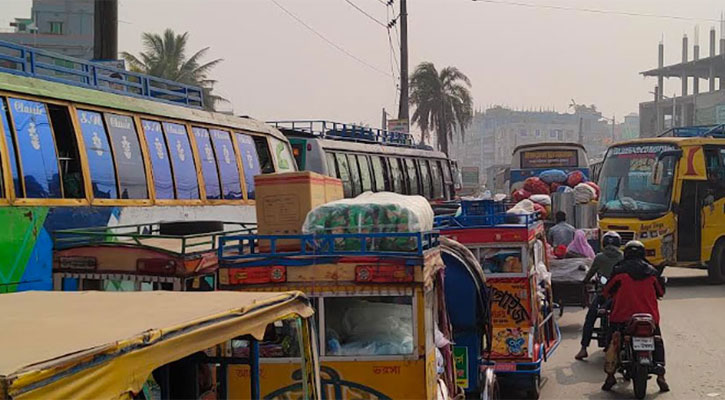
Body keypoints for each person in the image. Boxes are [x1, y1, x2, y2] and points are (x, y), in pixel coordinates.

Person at [601, 240, 668, 392]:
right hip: (649, 318)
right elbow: (661, 292)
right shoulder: (652, 272)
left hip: (621, 317)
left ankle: (610, 377)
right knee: (657, 340)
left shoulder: (619, 271)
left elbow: (607, 291)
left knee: (613, 341)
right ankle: (661, 377)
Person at [575, 231, 622, 360]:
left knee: (590, 318)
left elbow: (590, 274)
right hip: (619, 297)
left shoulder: (600, 257)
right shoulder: (622, 257)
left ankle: (584, 348)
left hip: (603, 295)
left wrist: (584, 282)